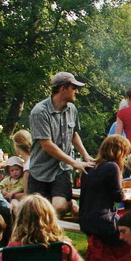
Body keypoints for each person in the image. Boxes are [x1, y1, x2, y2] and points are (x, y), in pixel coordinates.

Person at [28, 71, 95, 216]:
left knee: (59, 207)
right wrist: (74, 162)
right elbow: (46, 145)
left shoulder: (72, 109)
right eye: (74, 87)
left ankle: (68, 205)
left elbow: (74, 134)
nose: (76, 91)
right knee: (37, 212)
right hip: (41, 170)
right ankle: (47, 235)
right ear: (63, 88)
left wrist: (86, 156)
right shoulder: (39, 112)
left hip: (61, 169)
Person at [81, 135, 131, 261]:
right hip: (104, 221)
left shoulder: (89, 167)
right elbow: (118, 196)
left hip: (86, 220)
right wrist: (129, 193)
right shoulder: (112, 167)